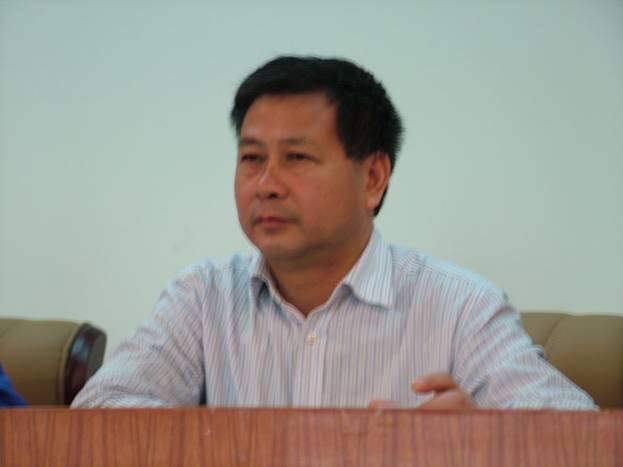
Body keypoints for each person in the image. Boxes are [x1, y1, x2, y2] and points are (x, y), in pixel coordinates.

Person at [72, 56, 595, 409]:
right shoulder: (202, 297)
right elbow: (99, 407)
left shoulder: (461, 307)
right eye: (251, 158)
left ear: (373, 178)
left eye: (297, 158)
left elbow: (577, 433)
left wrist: (487, 441)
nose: (266, 184)